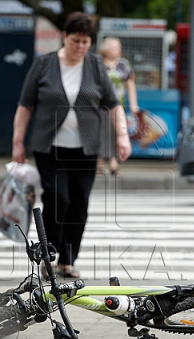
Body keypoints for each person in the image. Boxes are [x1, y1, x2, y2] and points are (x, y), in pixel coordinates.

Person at [12, 12, 132, 279]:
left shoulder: (96, 66)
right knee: (58, 198)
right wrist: (17, 143)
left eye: (85, 42)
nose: (80, 47)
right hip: (49, 147)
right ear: (64, 37)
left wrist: (122, 136)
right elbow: (25, 105)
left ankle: (68, 260)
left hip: (85, 149)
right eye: (76, 40)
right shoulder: (43, 65)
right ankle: (49, 257)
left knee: (79, 203)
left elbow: (113, 105)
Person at [97, 37, 139, 176]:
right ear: (106, 49)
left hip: (117, 105)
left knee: (118, 132)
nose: (118, 50)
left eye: (119, 47)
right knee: (100, 133)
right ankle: (99, 164)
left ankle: (114, 165)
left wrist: (133, 104)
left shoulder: (123, 65)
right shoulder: (98, 63)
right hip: (99, 105)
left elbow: (130, 85)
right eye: (115, 47)